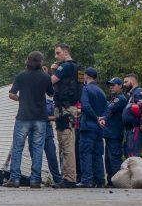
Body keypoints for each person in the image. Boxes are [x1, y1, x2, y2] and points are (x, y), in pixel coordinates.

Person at [5, 51, 54, 188]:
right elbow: (51, 93)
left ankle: (14, 179)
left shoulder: (21, 76)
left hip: (23, 117)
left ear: (27, 61)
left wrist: (22, 100)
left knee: (18, 148)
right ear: (41, 62)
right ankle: (35, 180)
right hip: (40, 118)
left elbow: (11, 94)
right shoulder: (45, 77)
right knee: (38, 149)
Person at [50, 43, 81, 188]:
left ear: (66, 52)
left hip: (64, 109)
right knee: (67, 142)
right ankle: (69, 176)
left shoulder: (66, 67)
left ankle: (69, 178)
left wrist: (53, 70)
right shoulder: (78, 68)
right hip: (71, 107)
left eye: (58, 53)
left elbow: (51, 82)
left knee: (65, 143)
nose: (56, 56)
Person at [77, 67, 107, 188]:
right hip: (99, 128)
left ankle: (87, 180)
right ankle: (100, 180)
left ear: (87, 76)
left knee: (86, 152)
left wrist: (95, 118)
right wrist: (102, 119)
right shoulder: (101, 92)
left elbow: (85, 106)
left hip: (88, 126)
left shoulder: (86, 89)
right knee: (97, 153)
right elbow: (106, 109)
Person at [100, 77, 128, 185]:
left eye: (113, 85)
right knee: (108, 159)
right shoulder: (114, 98)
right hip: (110, 133)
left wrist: (102, 116)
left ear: (120, 86)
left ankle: (118, 182)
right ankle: (111, 182)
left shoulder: (120, 99)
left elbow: (108, 109)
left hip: (115, 133)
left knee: (114, 158)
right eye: (110, 85)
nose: (111, 87)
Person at [122, 73, 142, 157]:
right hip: (130, 130)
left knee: (134, 155)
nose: (124, 84)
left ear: (133, 81)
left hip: (136, 128)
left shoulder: (139, 91)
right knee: (130, 154)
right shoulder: (132, 95)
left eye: (126, 82)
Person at [43, 97, 63, 186]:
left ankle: (57, 178)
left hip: (47, 132)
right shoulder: (31, 100)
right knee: (36, 156)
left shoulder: (50, 103)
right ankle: (35, 178)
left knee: (52, 156)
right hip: (34, 132)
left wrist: (45, 117)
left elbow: (56, 116)